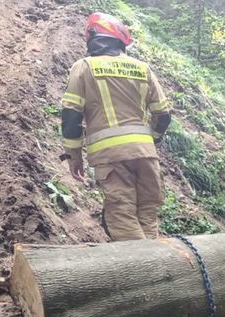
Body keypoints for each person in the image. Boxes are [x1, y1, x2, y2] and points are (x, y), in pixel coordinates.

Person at [60, 13, 172, 241]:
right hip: (146, 154)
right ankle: (155, 267)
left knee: (122, 213)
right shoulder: (143, 69)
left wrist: (74, 156)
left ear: (92, 37)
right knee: (147, 213)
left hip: (110, 156)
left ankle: (142, 273)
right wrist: (154, 139)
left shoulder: (84, 67)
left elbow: (71, 116)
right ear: (120, 40)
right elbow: (163, 114)